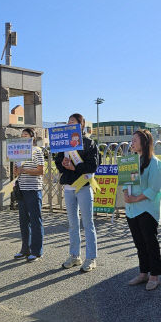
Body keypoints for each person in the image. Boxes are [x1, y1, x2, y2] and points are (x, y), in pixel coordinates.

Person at [54, 113, 99, 272]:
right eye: (68, 122)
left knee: (88, 223)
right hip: (68, 187)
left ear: (81, 125)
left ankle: (91, 258)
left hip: (84, 186)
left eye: (72, 122)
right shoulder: (64, 142)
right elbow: (58, 161)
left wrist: (75, 167)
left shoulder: (88, 143)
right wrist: (63, 164)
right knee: (73, 224)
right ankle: (75, 256)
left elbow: (93, 165)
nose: (69, 125)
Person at [122, 129, 161, 291]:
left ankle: (154, 275)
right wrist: (126, 194)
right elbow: (126, 182)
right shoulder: (131, 161)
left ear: (144, 143)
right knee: (139, 243)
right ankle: (143, 272)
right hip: (132, 209)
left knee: (150, 242)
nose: (131, 143)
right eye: (131, 140)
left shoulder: (155, 163)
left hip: (146, 210)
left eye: (135, 140)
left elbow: (154, 189)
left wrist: (135, 199)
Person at [13, 128, 45, 262]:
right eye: (22, 136)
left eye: (26, 135)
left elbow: (41, 170)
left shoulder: (37, 151)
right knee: (23, 221)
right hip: (21, 188)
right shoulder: (18, 152)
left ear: (32, 138)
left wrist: (24, 169)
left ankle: (37, 251)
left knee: (35, 220)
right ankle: (25, 249)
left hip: (33, 189)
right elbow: (16, 172)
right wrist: (17, 171)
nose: (23, 137)